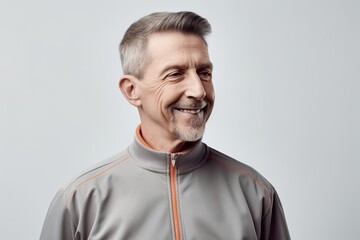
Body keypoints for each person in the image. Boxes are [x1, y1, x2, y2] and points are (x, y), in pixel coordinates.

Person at [40, 11, 290, 240]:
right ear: (131, 90)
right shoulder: (80, 200)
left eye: (204, 73)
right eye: (175, 74)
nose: (199, 90)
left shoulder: (256, 194)